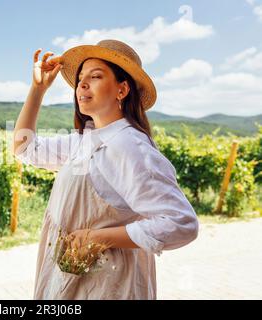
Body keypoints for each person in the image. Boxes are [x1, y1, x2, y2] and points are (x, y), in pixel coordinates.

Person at [12, 39, 199, 300]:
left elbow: (182, 223)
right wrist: (37, 89)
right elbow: (24, 148)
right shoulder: (86, 140)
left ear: (121, 90)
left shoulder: (129, 145)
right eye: (80, 79)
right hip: (73, 282)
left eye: (96, 76)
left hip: (108, 287)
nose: (82, 85)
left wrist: (98, 237)